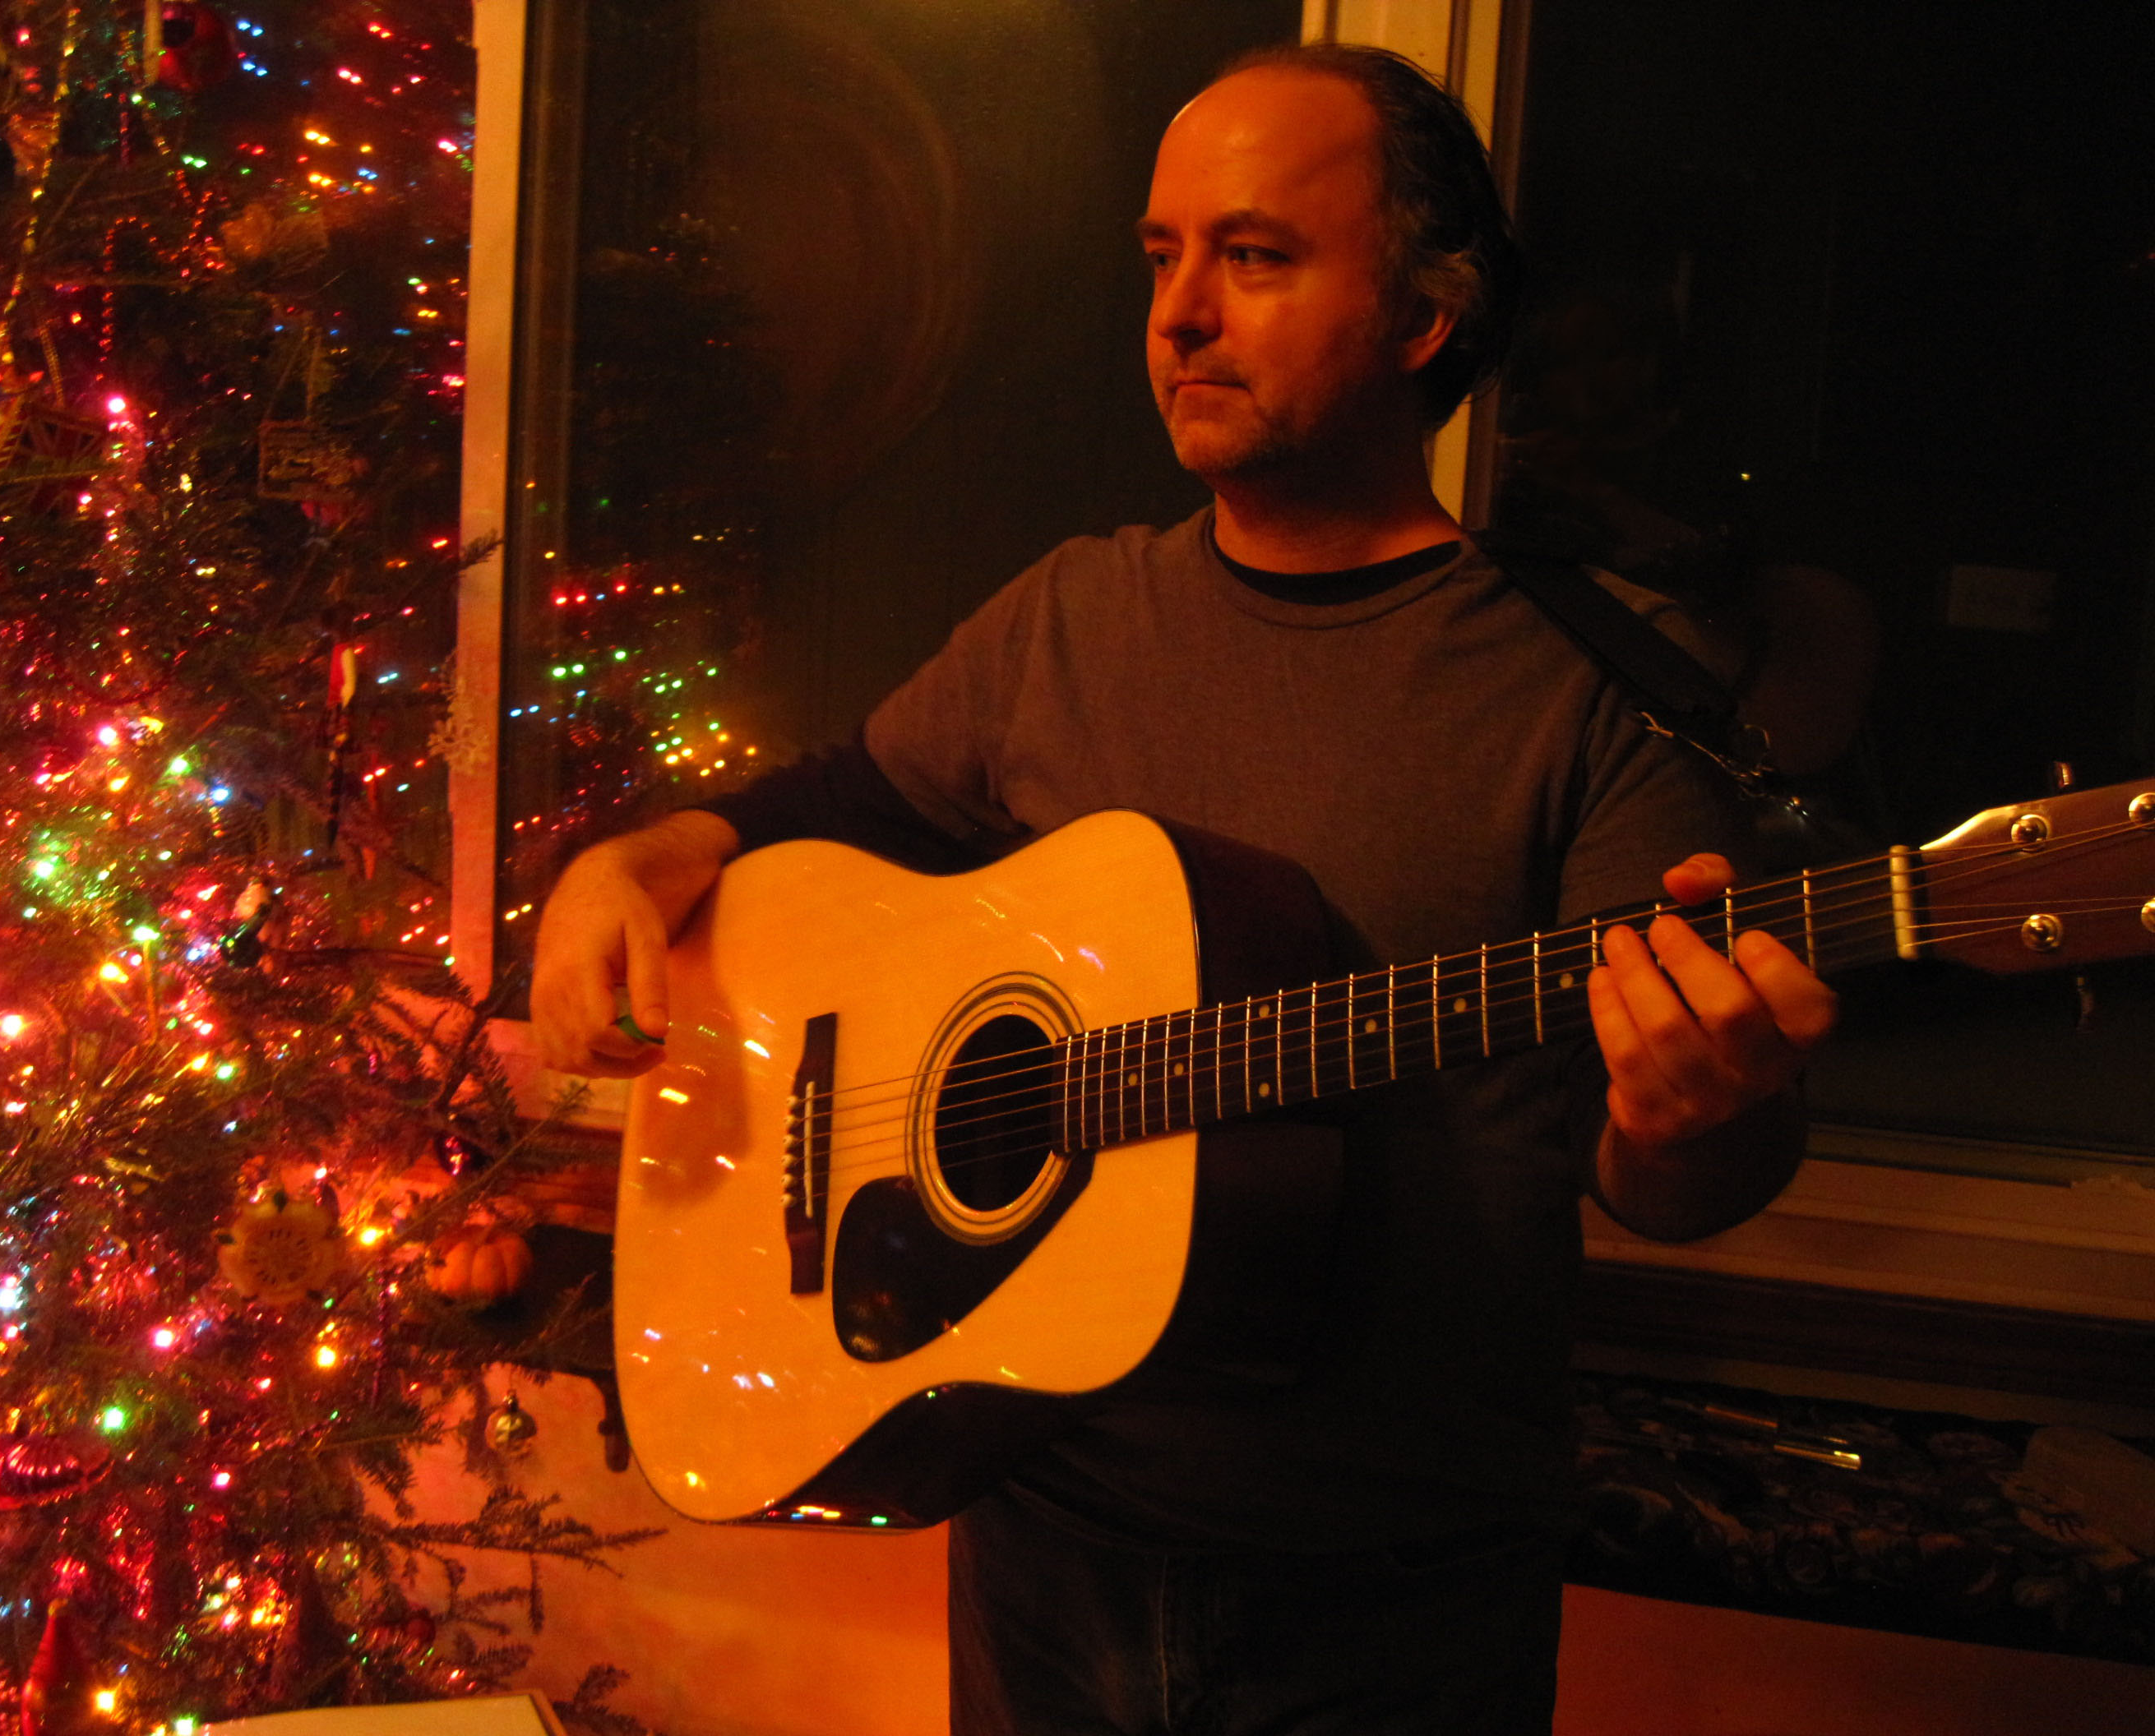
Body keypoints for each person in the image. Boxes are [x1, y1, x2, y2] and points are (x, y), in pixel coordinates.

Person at [532, 42, 1840, 1736]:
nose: (1180, 316)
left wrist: (1693, 1112)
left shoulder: (1592, 685)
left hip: (1396, 1599)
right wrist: (645, 851)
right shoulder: (1072, 616)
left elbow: (1677, 1178)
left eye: (1257, 256)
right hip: (1039, 1544)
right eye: (1162, 258)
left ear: (1424, 314)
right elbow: (833, 810)